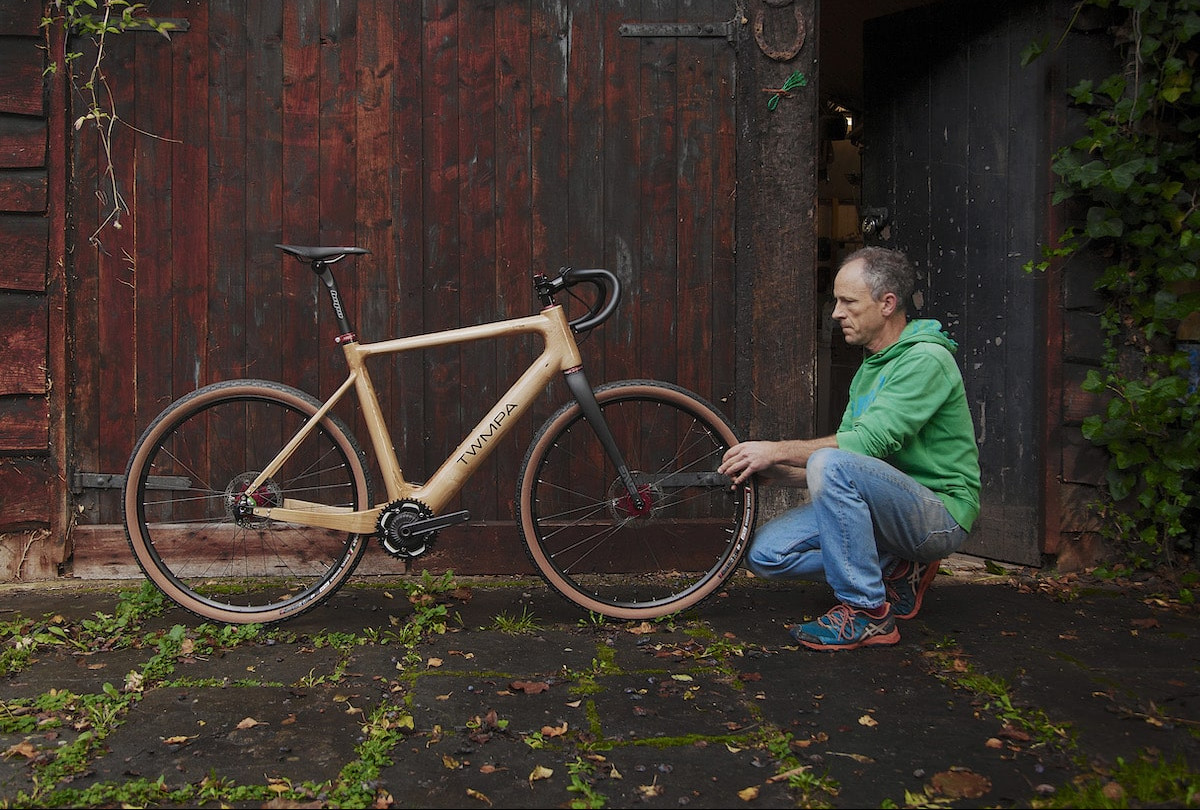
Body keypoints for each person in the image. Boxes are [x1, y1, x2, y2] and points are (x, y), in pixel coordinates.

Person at [718, 246, 981, 651]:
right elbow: (851, 465)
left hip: (937, 514)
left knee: (829, 460)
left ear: (887, 304)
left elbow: (864, 447)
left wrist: (775, 449)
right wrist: (777, 473)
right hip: (885, 507)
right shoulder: (869, 368)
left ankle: (867, 613)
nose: (837, 312)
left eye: (848, 302)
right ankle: (895, 568)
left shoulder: (926, 360)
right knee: (766, 555)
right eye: (836, 301)